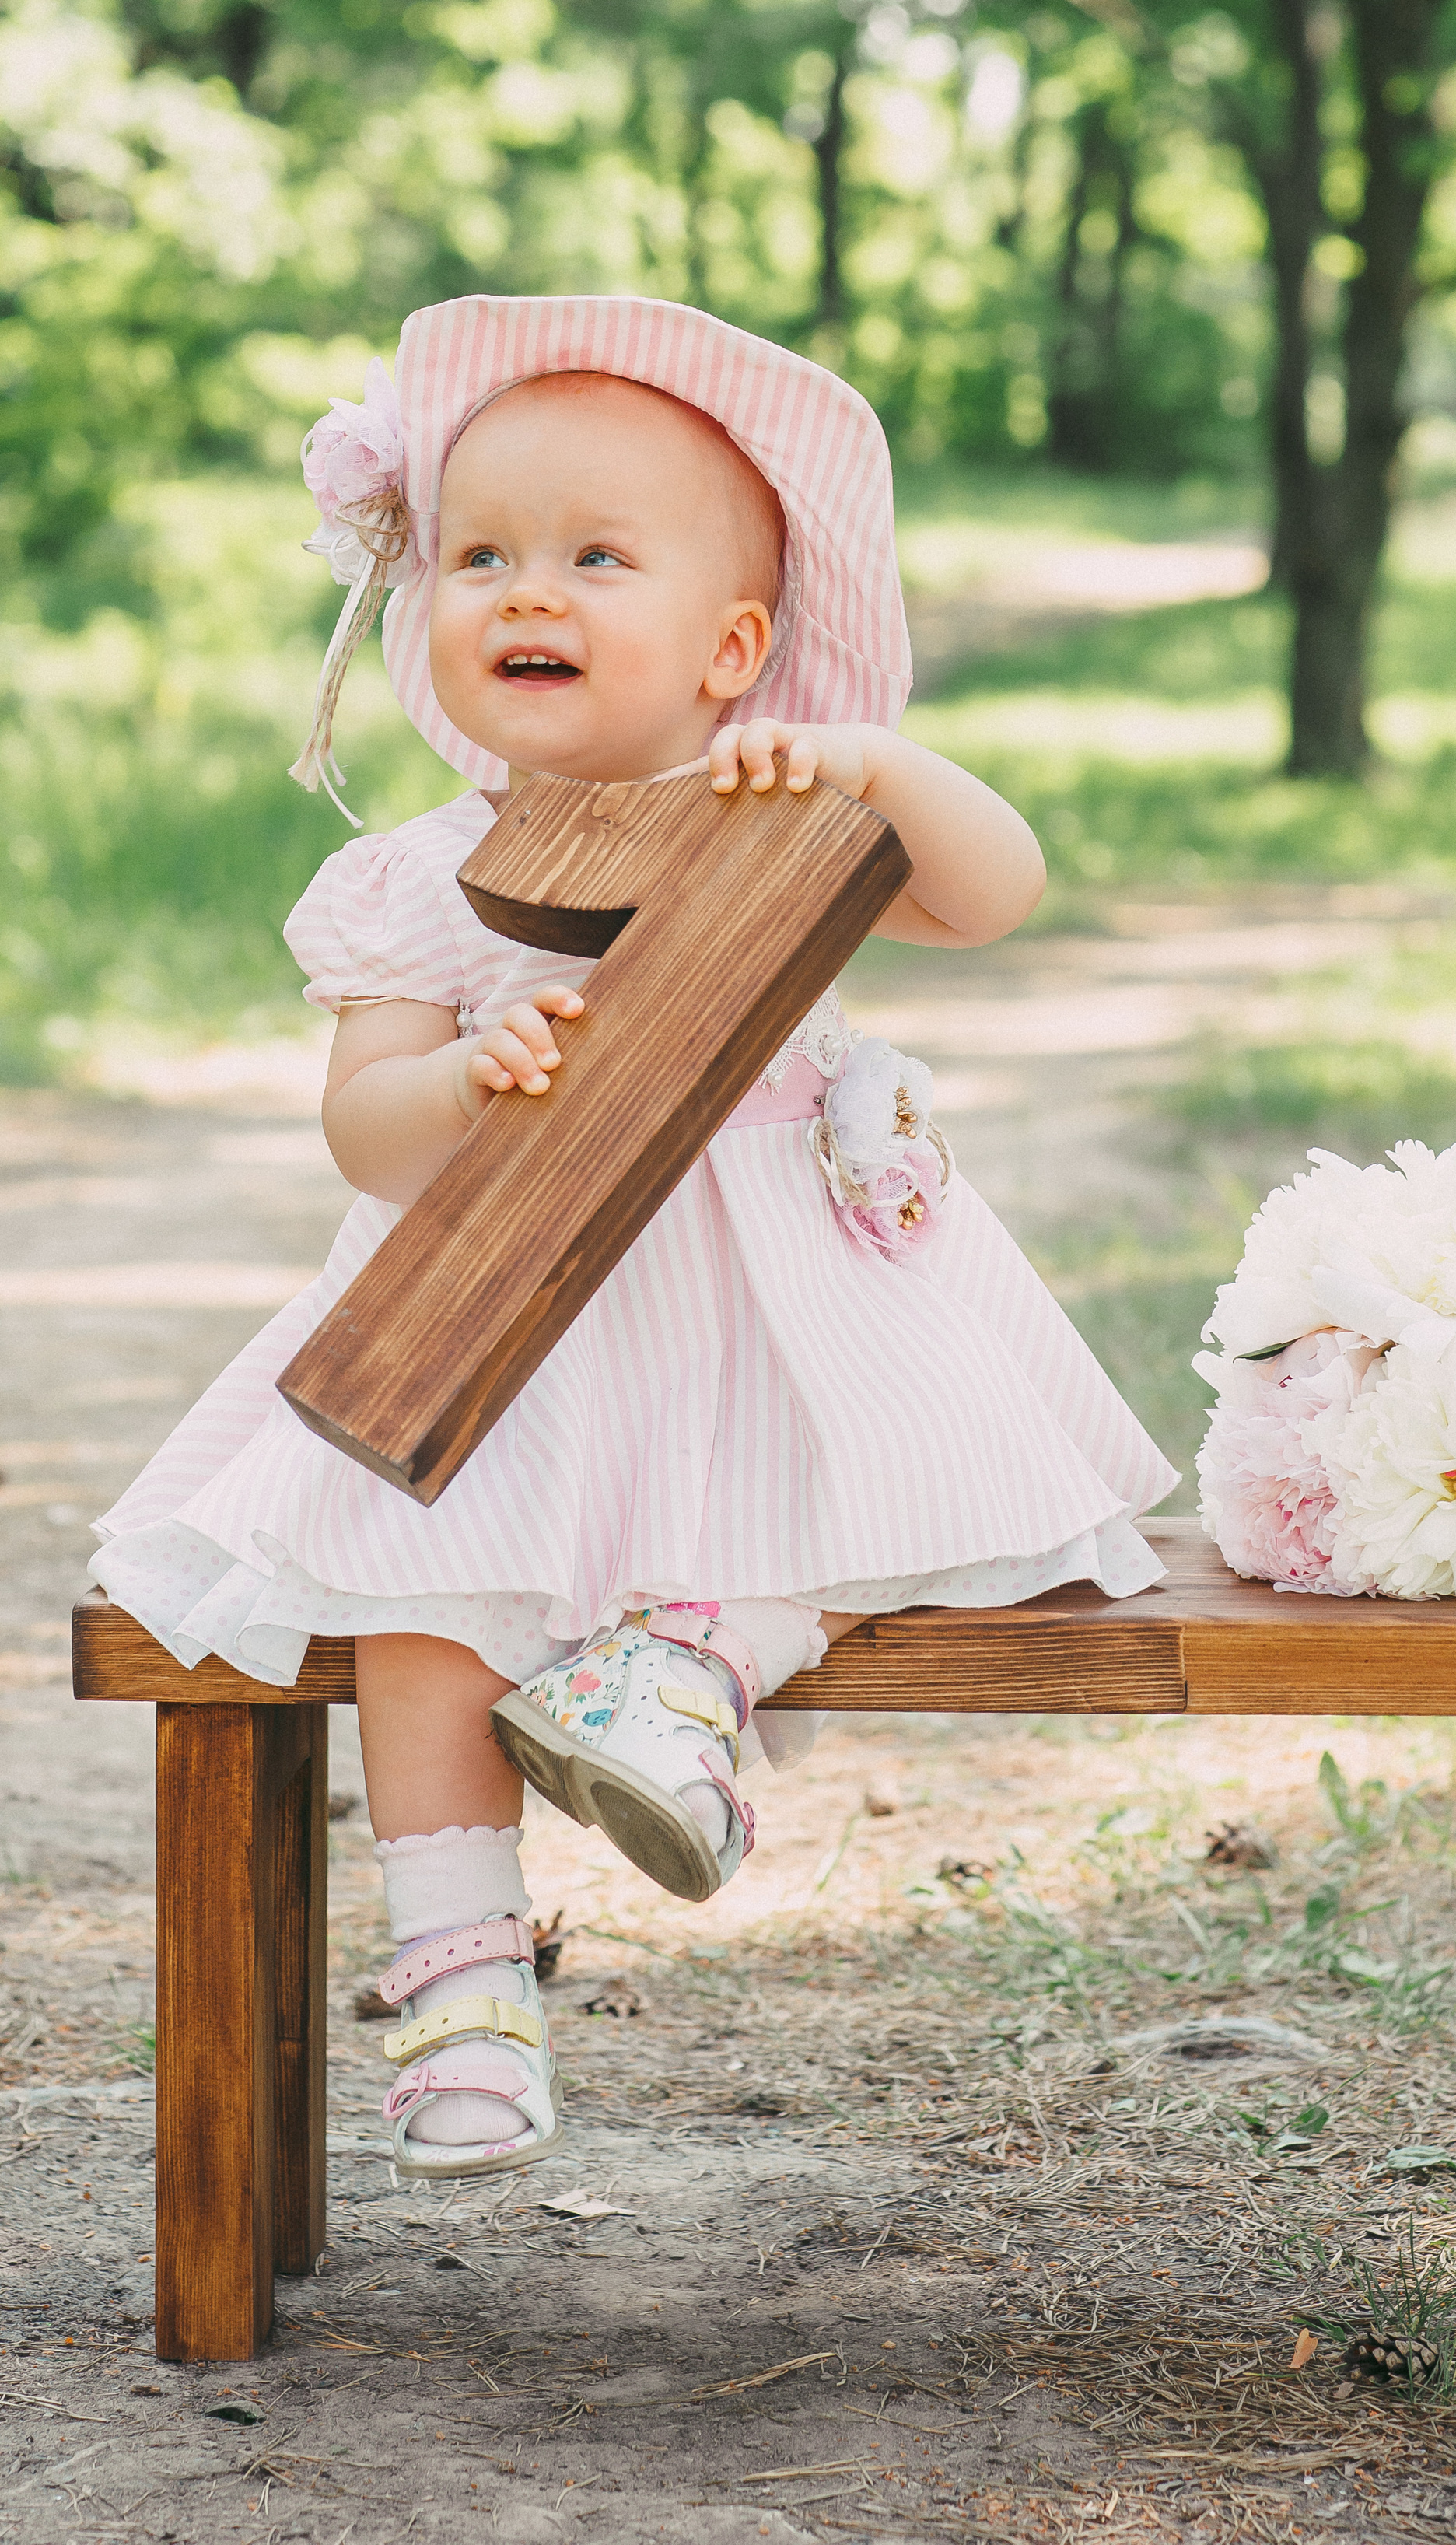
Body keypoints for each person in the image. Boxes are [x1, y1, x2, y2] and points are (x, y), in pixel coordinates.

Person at [89, 293, 1176, 2180]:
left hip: (776, 1310)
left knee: (912, 1508)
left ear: (731, 646)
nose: (531, 592)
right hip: (494, 1327)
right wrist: (463, 1088)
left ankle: (687, 1664)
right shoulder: (411, 883)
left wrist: (869, 767)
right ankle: (462, 1989)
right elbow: (363, 1131)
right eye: (484, 555)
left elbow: (994, 893)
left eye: (600, 558)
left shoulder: (778, 811)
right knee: (419, 1609)